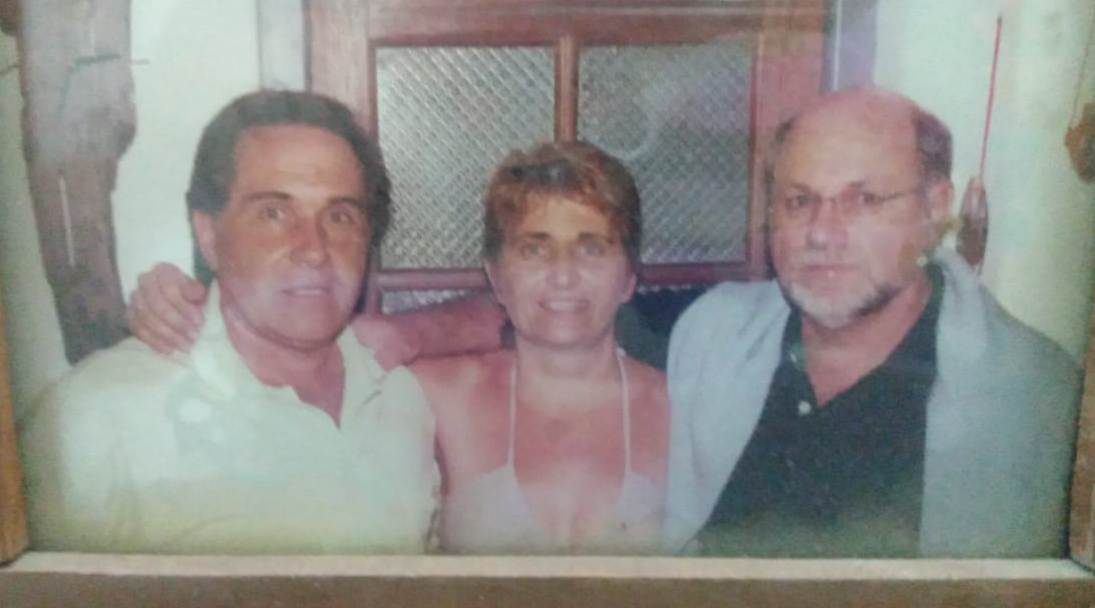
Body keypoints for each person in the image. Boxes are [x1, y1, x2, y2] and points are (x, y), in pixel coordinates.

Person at [125, 142, 670, 554]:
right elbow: (284, 358)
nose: (563, 275)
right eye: (534, 249)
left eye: (592, 248)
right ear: (496, 276)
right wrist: (189, 302)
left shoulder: (683, 406)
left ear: (629, 277)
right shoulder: (431, 393)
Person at [664, 88, 1082, 557]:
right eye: (799, 201)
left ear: (934, 209)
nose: (821, 233)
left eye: (863, 199)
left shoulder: (1036, 397)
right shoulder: (710, 337)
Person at [19, 91, 438, 554]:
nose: (314, 248)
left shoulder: (401, 399)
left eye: (340, 216)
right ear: (208, 235)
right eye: (274, 213)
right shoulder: (97, 419)